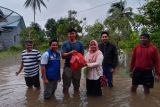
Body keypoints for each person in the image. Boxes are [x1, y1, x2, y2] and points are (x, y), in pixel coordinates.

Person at [61, 28, 84, 95]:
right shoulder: (65, 44)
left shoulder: (80, 44)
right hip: (67, 67)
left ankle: (76, 100)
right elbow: (62, 56)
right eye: (70, 33)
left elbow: (82, 56)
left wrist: (79, 59)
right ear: (68, 35)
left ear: (75, 34)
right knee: (65, 86)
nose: (71, 35)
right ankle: (66, 100)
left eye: (73, 33)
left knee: (77, 86)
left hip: (77, 68)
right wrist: (70, 53)